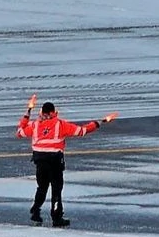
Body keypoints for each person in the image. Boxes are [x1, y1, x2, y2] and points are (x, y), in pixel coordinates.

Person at [17, 96, 115, 226]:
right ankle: (56, 217)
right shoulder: (60, 124)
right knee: (56, 189)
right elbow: (82, 131)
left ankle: (35, 210)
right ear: (53, 112)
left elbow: (20, 132)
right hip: (55, 161)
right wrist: (97, 123)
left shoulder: (35, 125)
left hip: (39, 160)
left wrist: (27, 113)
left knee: (42, 187)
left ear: (42, 112)